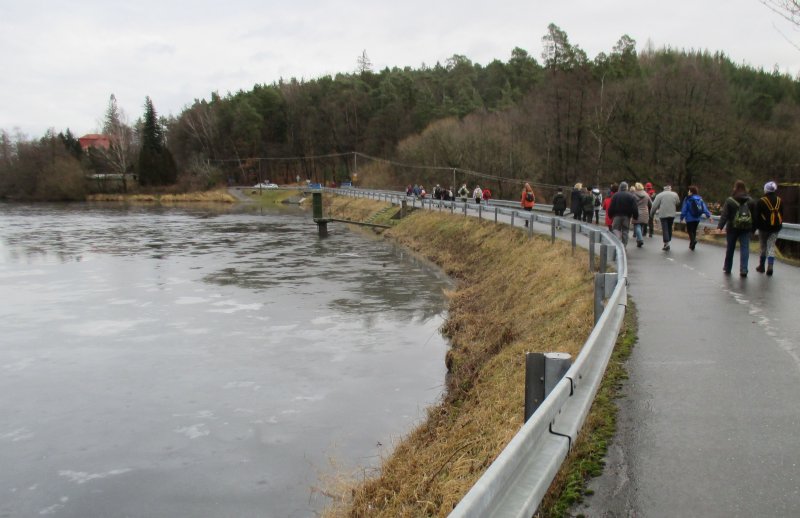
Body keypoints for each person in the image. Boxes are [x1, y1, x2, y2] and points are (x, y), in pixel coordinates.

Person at [717, 179, 755, 277]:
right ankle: (744, 269)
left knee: (730, 248)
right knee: (745, 248)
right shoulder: (750, 201)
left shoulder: (730, 200)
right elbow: (755, 216)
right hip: (746, 228)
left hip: (732, 228)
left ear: (735, 188)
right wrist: (753, 229)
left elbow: (724, 215)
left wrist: (720, 227)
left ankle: (727, 268)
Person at [755, 181, 783, 276]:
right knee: (771, 246)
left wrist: (754, 228)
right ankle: (770, 266)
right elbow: (782, 214)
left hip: (763, 229)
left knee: (763, 246)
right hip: (776, 228)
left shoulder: (761, 201)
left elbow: (756, 216)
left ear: (765, 189)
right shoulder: (779, 200)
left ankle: (761, 266)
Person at [679, 185, 711, 251]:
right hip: (697, 218)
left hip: (689, 218)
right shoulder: (700, 199)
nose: (688, 192)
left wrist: (682, 217)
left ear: (691, 192)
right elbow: (704, 208)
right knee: (693, 231)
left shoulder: (688, 199)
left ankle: (693, 241)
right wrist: (709, 216)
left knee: (690, 231)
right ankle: (692, 245)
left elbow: (684, 209)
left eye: (689, 191)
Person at [650, 184, 681, 251]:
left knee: (665, 228)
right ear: (670, 188)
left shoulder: (660, 195)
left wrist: (651, 214)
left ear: (664, 189)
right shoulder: (675, 194)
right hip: (672, 214)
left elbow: (654, 206)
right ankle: (668, 241)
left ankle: (666, 243)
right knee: (669, 227)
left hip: (663, 214)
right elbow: (678, 202)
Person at [608, 181, 638, 247]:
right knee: (625, 231)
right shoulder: (631, 196)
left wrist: (610, 215)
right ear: (627, 188)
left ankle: (617, 245)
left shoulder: (615, 195)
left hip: (617, 216)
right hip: (626, 216)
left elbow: (611, 206)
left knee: (616, 230)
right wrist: (635, 216)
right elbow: (634, 207)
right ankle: (624, 245)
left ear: (620, 187)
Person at [632, 182, 651, 248]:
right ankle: (638, 241)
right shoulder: (646, 195)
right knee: (641, 226)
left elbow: (631, 204)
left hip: (636, 212)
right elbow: (650, 204)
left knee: (637, 226)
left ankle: (640, 239)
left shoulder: (634, 195)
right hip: (645, 212)